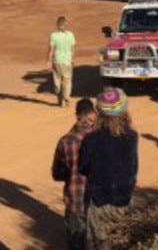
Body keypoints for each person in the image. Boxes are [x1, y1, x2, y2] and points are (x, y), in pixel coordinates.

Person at [79, 89, 138, 250]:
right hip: (124, 199)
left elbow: (83, 168)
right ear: (125, 111)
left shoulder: (91, 139)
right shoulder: (132, 136)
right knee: (122, 240)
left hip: (99, 200)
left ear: (99, 113)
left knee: (99, 242)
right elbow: (133, 168)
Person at [52, 98, 98, 250]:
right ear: (93, 114)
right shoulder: (102, 138)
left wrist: (70, 172)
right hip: (99, 202)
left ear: (76, 115)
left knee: (75, 243)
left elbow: (57, 174)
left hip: (75, 200)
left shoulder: (65, 141)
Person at [47, 16, 76, 107]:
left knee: (57, 80)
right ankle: (66, 96)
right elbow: (72, 49)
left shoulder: (54, 35)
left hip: (57, 61)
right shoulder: (71, 35)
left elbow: (51, 50)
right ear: (65, 24)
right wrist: (72, 60)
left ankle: (61, 100)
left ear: (57, 24)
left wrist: (48, 60)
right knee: (67, 80)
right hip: (67, 61)